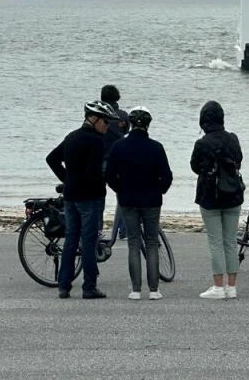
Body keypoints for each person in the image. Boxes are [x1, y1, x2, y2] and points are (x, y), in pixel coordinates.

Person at [46, 100, 119, 299]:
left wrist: (67, 178)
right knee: (88, 242)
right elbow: (96, 172)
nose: (107, 126)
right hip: (90, 198)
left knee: (70, 240)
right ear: (93, 119)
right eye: (105, 121)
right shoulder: (96, 141)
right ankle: (89, 286)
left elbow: (51, 158)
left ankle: (64, 285)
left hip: (71, 196)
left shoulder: (71, 137)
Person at [105, 106, 173, 300]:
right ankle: (154, 290)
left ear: (130, 124)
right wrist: (159, 190)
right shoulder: (156, 147)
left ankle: (135, 289)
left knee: (133, 243)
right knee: (151, 242)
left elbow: (109, 175)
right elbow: (166, 176)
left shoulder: (119, 146)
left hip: (128, 199)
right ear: (148, 125)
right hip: (152, 200)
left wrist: (120, 189)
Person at [190, 100, 244, 299]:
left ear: (203, 121)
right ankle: (232, 286)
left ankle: (218, 287)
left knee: (215, 242)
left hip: (210, 196)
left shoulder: (202, 143)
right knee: (230, 241)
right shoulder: (233, 139)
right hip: (233, 195)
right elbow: (239, 160)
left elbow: (195, 166)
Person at [99, 84, 131, 239]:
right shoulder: (123, 116)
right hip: (118, 160)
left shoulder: (97, 116)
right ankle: (123, 229)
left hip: (98, 160)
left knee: (98, 195)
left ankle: (97, 228)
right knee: (123, 194)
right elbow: (125, 132)